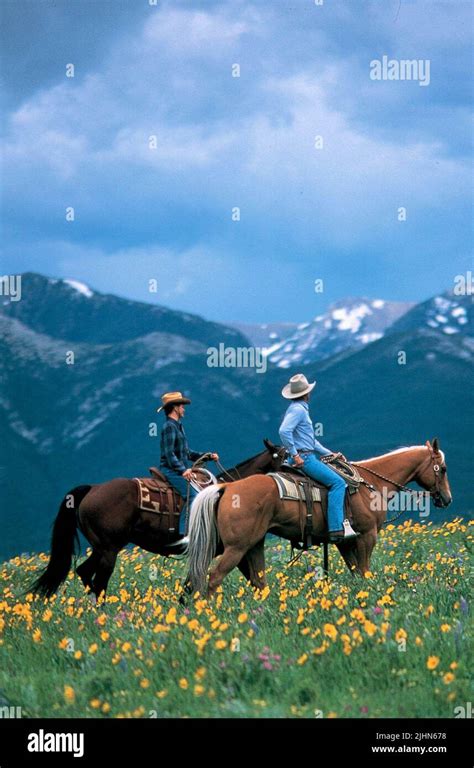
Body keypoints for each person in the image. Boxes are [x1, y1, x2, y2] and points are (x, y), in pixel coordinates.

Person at [278, 374, 357, 542]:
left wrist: (329, 454)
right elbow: (284, 431)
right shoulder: (299, 410)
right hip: (305, 458)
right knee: (338, 483)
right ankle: (336, 528)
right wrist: (295, 454)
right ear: (306, 393)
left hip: (305, 454)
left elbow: (310, 441)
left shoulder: (295, 408)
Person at [157, 391, 219, 547]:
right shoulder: (169, 427)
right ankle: (185, 534)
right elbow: (169, 454)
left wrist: (208, 456)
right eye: (182, 406)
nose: (184, 409)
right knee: (194, 496)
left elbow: (187, 453)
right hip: (170, 470)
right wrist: (182, 470)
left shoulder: (178, 426)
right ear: (175, 408)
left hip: (178, 469)